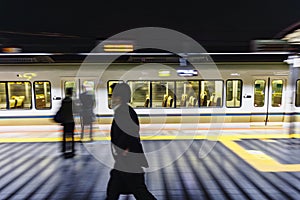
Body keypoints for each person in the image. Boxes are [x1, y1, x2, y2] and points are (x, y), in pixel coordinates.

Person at [106, 83, 156, 200]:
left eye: (114, 95)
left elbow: (130, 132)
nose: (112, 98)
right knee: (113, 189)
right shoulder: (125, 110)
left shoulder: (123, 112)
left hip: (127, 159)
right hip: (124, 159)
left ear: (120, 97)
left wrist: (125, 150)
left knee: (139, 191)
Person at [61, 87, 75, 157]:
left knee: (64, 136)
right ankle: (72, 150)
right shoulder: (72, 101)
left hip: (65, 121)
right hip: (71, 121)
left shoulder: (63, 101)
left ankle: (64, 150)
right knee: (71, 136)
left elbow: (62, 110)